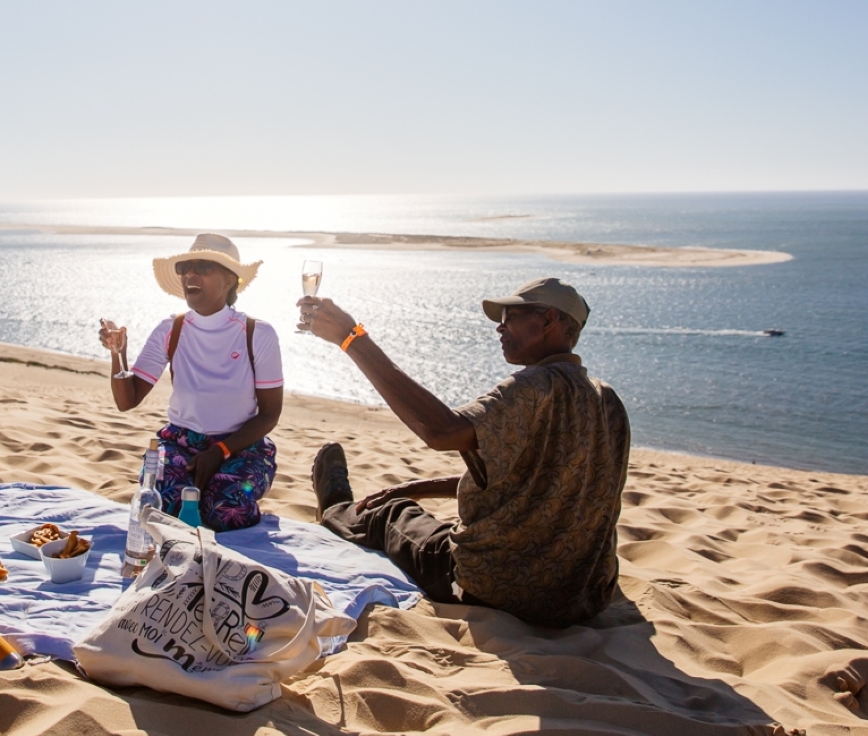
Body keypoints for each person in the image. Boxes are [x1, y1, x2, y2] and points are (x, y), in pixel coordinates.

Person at [298, 277, 629, 628]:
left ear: (548, 320)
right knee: (404, 501)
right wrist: (417, 487)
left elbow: (441, 431)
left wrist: (351, 338)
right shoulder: (607, 400)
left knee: (390, 516)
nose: (500, 327)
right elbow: (536, 478)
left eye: (510, 316)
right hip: (584, 597)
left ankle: (335, 506)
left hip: (497, 591)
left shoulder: (533, 387)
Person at [98, 234, 284, 531]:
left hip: (242, 446)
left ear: (229, 281)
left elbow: (270, 414)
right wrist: (117, 355)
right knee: (161, 505)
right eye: (184, 268)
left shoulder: (257, 334)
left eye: (203, 267)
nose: (189, 275)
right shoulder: (170, 329)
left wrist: (220, 451)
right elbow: (127, 400)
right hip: (181, 444)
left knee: (225, 511)